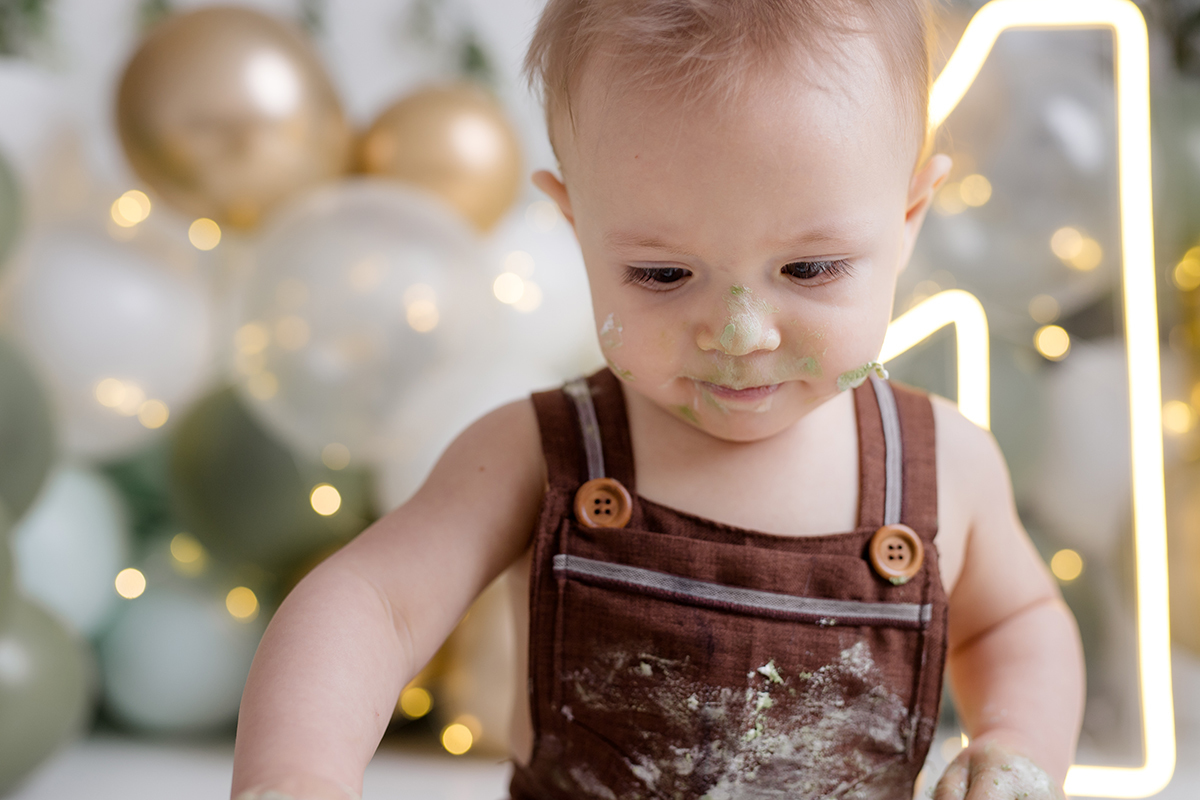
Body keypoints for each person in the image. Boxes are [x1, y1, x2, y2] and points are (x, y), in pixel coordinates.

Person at [230, 1, 1084, 798]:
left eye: (809, 269)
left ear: (908, 218)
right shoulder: (544, 453)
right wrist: (297, 774)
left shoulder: (944, 468)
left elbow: (1016, 625)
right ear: (577, 230)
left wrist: (1015, 742)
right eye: (663, 275)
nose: (740, 332)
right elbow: (371, 604)